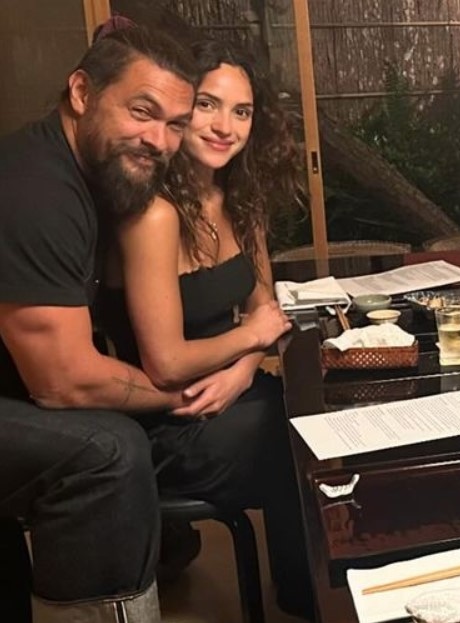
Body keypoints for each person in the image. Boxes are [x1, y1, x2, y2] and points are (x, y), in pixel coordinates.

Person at [100, 38, 314, 620]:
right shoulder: (152, 214)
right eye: (207, 105)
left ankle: (316, 590)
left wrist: (242, 372)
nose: (225, 127)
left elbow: (266, 310)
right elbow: (167, 363)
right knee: (301, 438)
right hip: (171, 418)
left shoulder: (238, 198)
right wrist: (249, 340)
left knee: (319, 412)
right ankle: (308, 598)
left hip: (232, 393)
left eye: (241, 111)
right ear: (179, 109)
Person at [0, 25, 199, 623]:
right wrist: (179, 393)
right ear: (82, 92)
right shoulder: (35, 187)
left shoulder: (89, 177)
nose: (158, 140)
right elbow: (64, 380)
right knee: (108, 452)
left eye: (175, 124)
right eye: (142, 112)